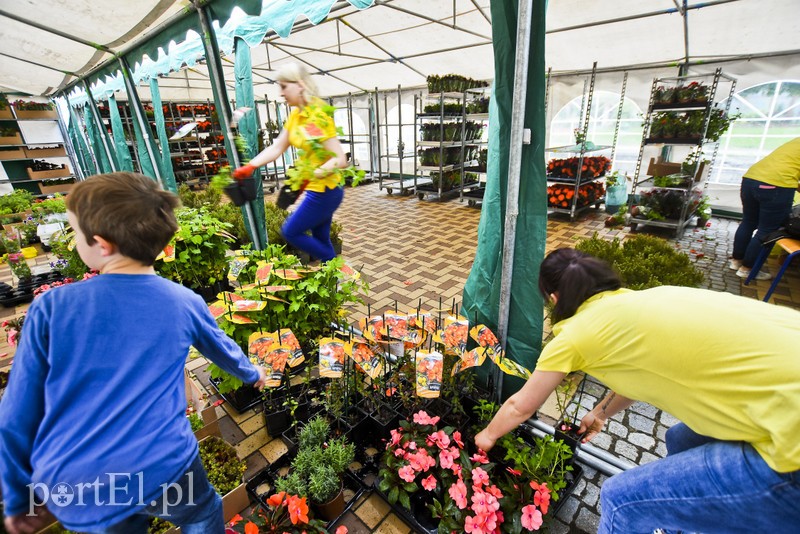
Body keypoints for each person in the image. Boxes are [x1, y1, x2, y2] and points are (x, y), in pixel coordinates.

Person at [0, 172, 268, 534]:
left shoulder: (51, 308)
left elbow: (17, 414)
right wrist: (253, 374)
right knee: (202, 516)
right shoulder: (183, 301)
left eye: (76, 234)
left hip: (83, 486)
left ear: (102, 244)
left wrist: (19, 497)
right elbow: (223, 351)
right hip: (165, 466)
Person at [475, 247, 800, 533]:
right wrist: (601, 413)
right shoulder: (641, 302)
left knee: (620, 499)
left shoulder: (575, 334)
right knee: (680, 438)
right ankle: (681, 519)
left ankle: (660, 513)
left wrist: (487, 437)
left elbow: (522, 406)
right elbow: (641, 372)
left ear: (555, 299)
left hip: (791, 442)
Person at [233, 63, 347, 262]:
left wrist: (319, 171)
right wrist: (251, 166)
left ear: (300, 84)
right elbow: (277, 147)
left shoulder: (317, 116)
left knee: (291, 231)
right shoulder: (296, 116)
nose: (281, 93)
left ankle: (333, 262)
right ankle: (334, 280)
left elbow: (340, 158)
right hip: (315, 188)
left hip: (326, 190)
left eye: (284, 86)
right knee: (320, 237)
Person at [731, 137, 800, 280]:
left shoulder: (796, 141)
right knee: (767, 230)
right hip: (777, 184)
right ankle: (748, 269)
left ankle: (736, 261)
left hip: (751, 178)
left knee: (748, 221)